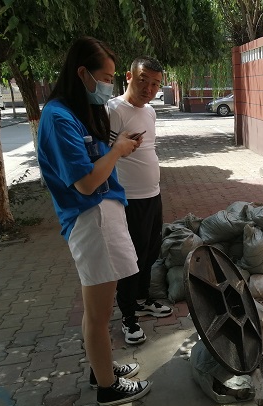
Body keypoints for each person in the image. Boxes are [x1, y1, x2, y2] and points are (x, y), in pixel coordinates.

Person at [37, 37, 152, 406]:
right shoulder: (58, 118)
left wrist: (117, 149)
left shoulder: (77, 111)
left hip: (104, 214)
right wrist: (117, 150)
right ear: (82, 73)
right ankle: (107, 387)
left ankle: (100, 368)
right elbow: (86, 183)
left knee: (98, 309)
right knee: (100, 312)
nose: (108, 86)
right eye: (105, 78)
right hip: (92, 219)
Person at [107, 57, 173, 345]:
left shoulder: (150, 111)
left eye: (155, 84)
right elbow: (104, 153)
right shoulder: (113, 110)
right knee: (130, 259)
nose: (149, 88)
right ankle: (128, 317)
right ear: (129, 76)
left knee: (149, 252)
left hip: (152, 195)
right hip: (128, 199)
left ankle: (143, 300)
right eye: (144, 80)